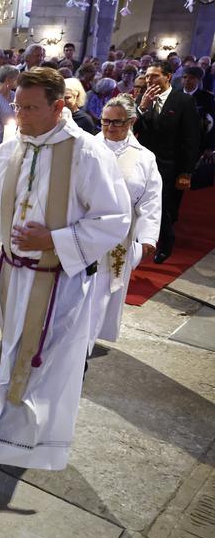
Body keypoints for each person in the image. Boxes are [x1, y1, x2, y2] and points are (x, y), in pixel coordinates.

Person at [0, 67, 130, 494]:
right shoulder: (8, 151)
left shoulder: (87, 153)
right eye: (17, 106)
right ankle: (20, 440)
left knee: (24, 368)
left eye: (31, 108)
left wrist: (53, 238)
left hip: (58, 285)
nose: (21, 116)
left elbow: (115, 220)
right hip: (14, 280)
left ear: (59, 106)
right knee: (19, 364)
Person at [89, 94, 162, 352]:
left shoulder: (143, 157)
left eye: (117, 123)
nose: (109, 127)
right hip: (85, 228)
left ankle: (87, 340)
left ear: (131, 122)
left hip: (119, 234)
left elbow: (151, 200)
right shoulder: (88, 146)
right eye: (105, 121)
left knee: (104, 288)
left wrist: (148, 237)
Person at [134, 61, 201, 263]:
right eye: (147, 76)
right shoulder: (142, 98)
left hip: (169, 164)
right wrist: (142, 107)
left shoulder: (182, 101)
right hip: (143, 161)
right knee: (140, 202)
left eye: (154, 76)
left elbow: (191, 138)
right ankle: (140, 240)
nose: (149, 80)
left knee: (162, 206)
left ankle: (165, 242)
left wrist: (186, 172)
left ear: (168, 77)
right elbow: (132, 127)